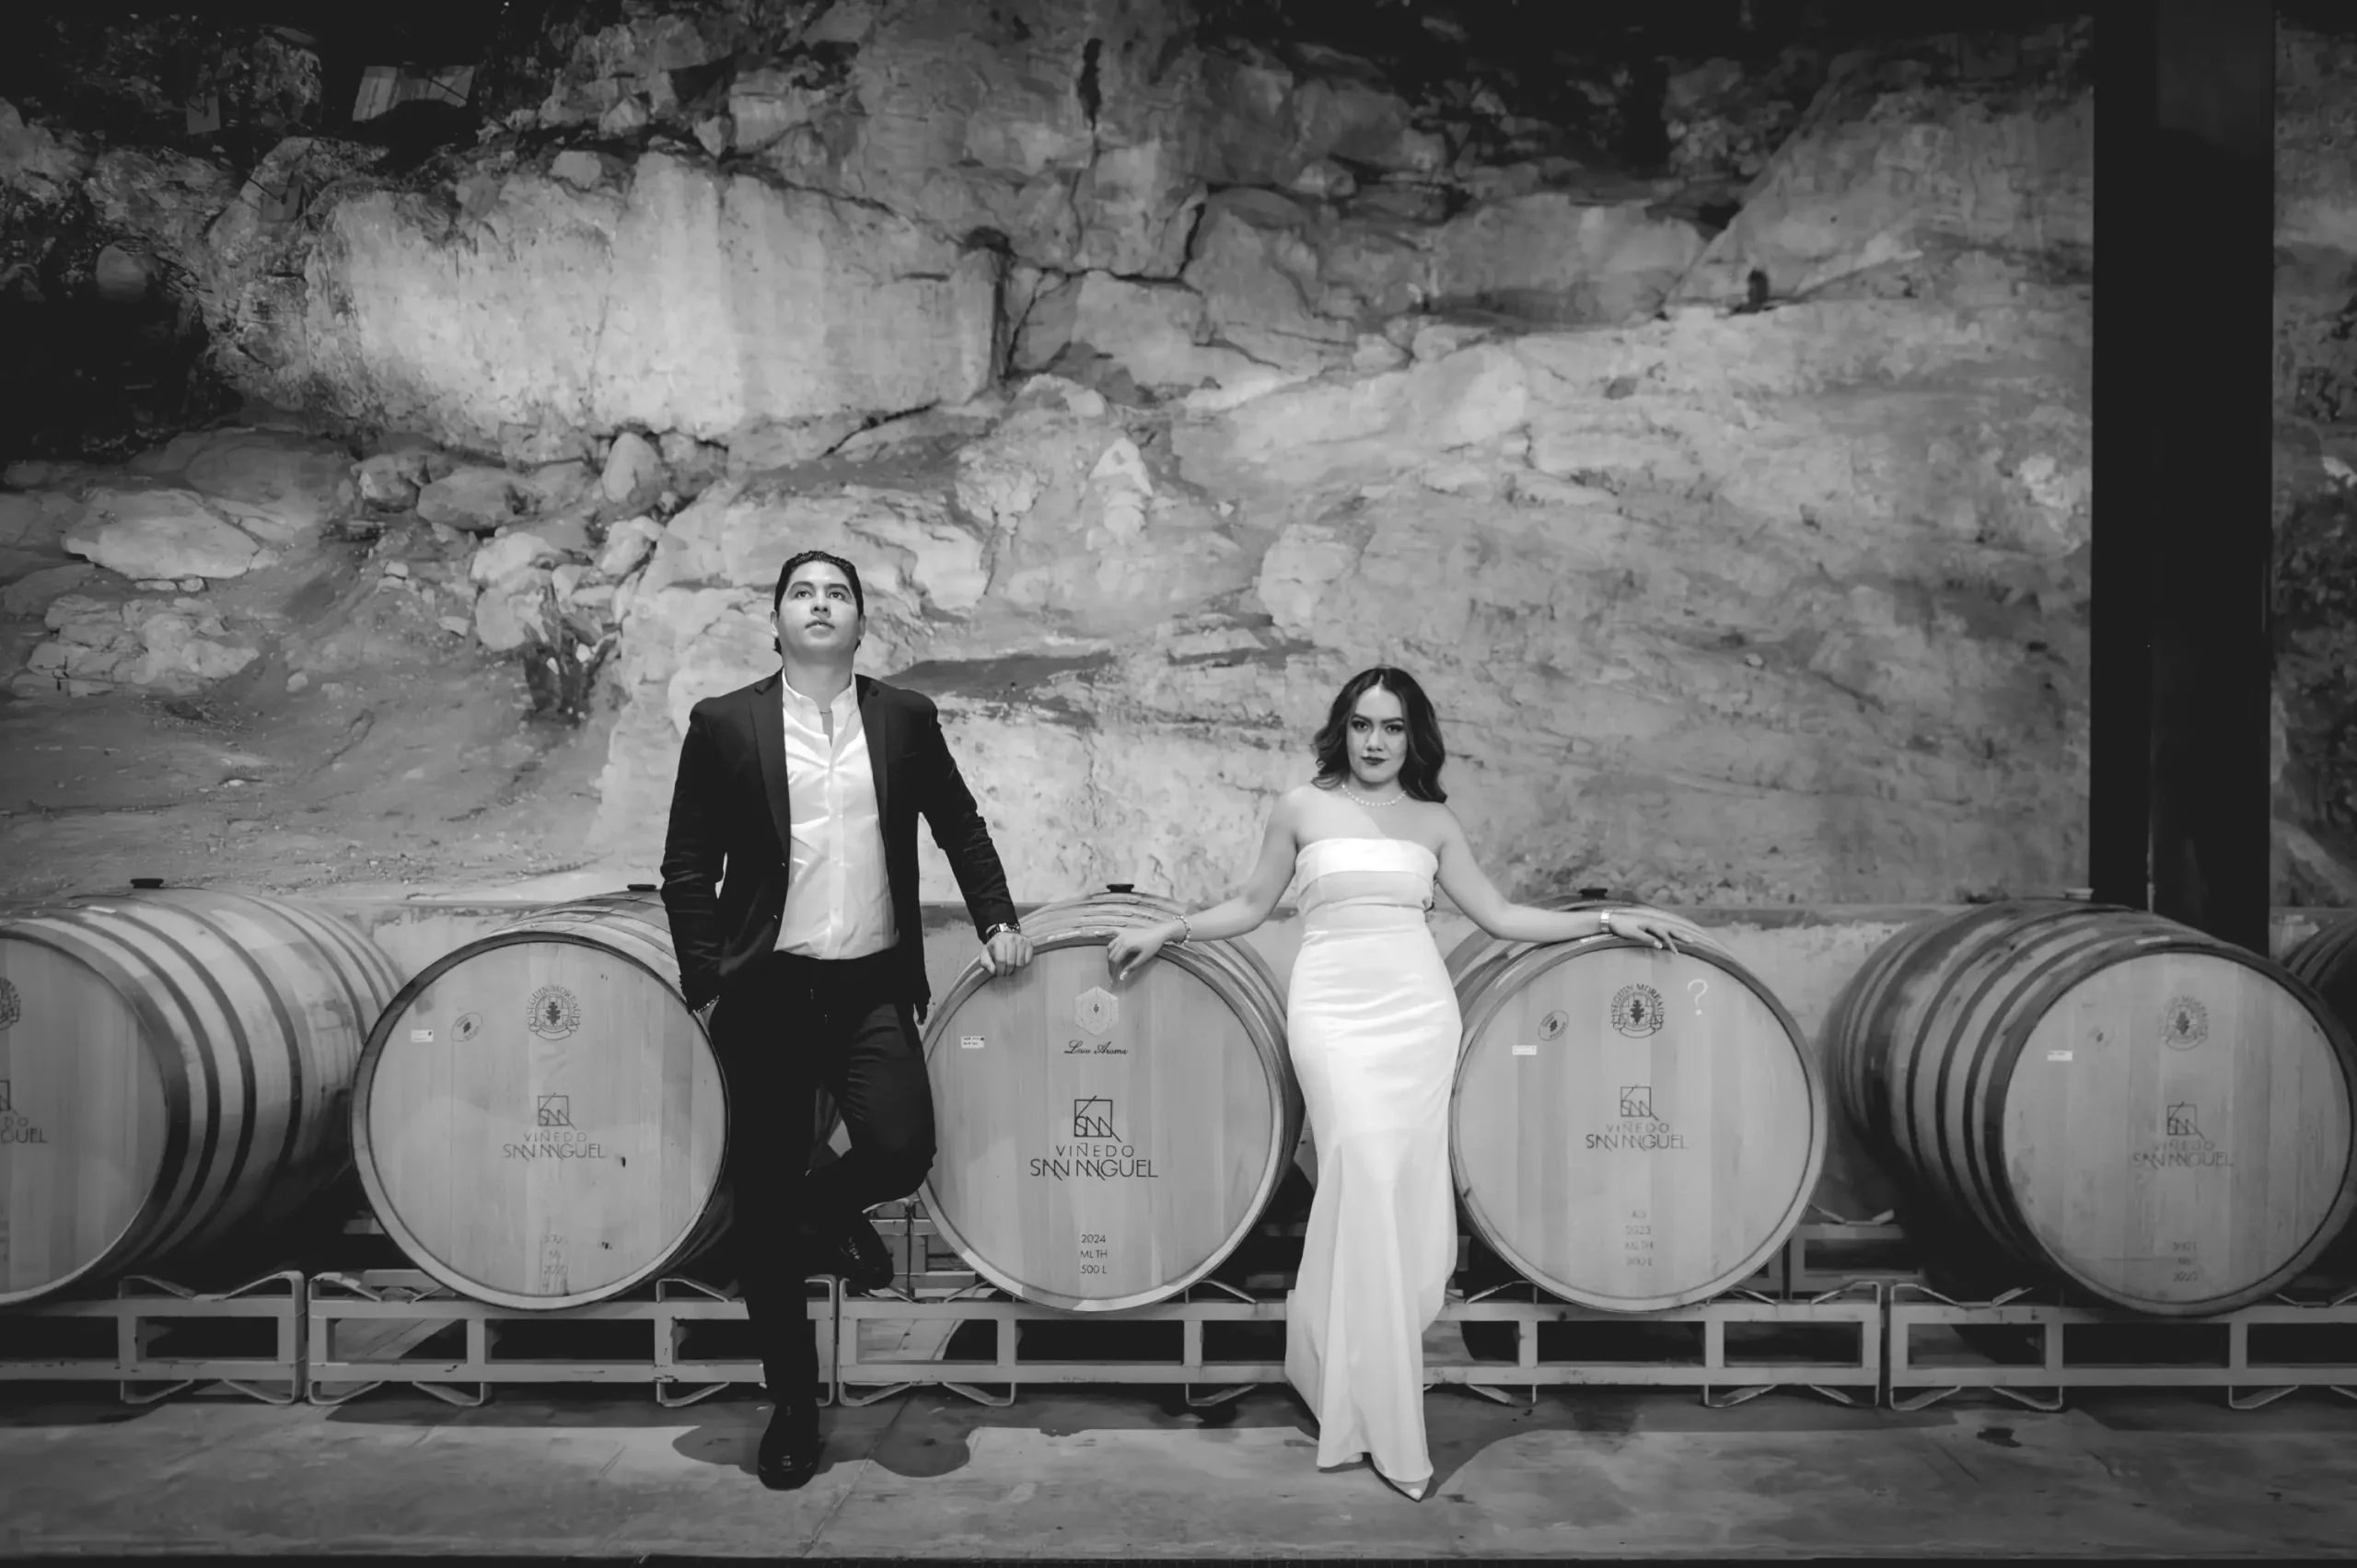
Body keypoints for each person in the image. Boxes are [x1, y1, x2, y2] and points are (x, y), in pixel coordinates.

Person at [1104, 667, 1704, 1500]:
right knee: (1361, 1166)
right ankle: (1379, 1417)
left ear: (1413, 735)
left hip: (1418, 1017)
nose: (1375, 740)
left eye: (1391, 726)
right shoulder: (1301, 806)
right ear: (1342, 729)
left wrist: (1604, 920)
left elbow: (1502, 916)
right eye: (1362, 724)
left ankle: (1344, 1369)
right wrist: (1170, 928)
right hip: (1332, 1012)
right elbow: (1249, 904)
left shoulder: (1434, 820)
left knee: (1389, 1197)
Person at [659, 549, 1034, 1491]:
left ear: (862, 623)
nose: (820, 604)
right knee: (762, 1190)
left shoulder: (902, 718)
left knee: (901, 1148)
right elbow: (686, 863)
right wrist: (708, 980)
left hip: (870, 981)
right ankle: (792, 1404)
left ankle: (823, 1212)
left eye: (837, 593)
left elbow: (959, 822)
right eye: (802, 592)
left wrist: (996, 918)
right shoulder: (725, 723)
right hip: (767, 990)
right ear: (776, 620)